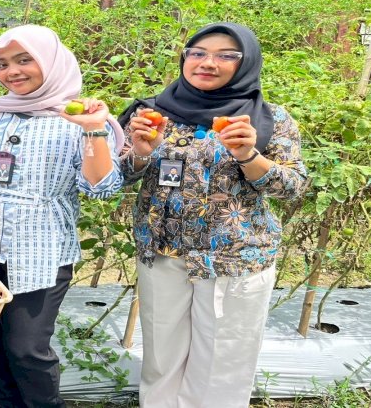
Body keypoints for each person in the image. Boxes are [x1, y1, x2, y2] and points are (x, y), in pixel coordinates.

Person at [0, 24, 124, 407]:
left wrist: (94, 131)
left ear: (50, 61)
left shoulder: (77, 119)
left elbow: (99, 187)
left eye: (23, 59)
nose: (11, 71)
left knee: (27, 348)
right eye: (2, 64)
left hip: (41, 246)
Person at [118, 22, 308, 407]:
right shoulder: (150, 113)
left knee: (223, 362)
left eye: (226, 55)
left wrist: (249, 156)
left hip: (234, 258)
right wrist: (140, 150)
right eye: (198, 53)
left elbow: (292, 187)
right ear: (184, 58)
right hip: (163, 253)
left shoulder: (269, 119)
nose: (208, 62)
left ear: (247, 63)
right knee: (160, 356)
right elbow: (117, 175)